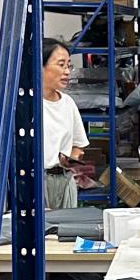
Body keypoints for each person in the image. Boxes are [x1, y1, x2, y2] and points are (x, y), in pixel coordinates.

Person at [40, 38, 92, 210]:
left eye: (69, 65)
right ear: (40, 66)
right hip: (37, 181)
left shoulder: (68, 103)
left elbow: (78, 145)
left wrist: (71, 159)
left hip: (64, 180)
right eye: (61, 65)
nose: (67, 71)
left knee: (67, 225)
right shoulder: (27, 105)